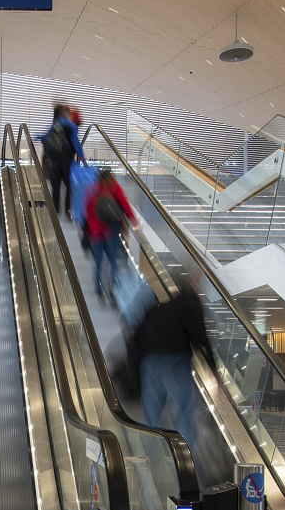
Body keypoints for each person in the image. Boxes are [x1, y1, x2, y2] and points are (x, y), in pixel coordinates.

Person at [134, 272, 215, 474]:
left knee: (150, 420)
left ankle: (144, 470)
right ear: (194, 284)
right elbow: (201, 339)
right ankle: (187, 473)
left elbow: (136, 336)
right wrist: (215, 374)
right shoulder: (191, 303)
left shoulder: (158, 310)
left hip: (149, 363)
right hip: (175, 364)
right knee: (185, 418)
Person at [84, 169, 137, 299]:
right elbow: (124, 205)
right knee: (113, 260)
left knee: (98, 261)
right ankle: (112, 287)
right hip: (112, 231)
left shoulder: (93, 191)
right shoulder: (114, 188)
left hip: (96, 233)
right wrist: (133, 221)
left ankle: (98, 288)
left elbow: (88, 213)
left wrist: (92, 230)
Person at [41, 105, 87, 217]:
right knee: (68, 186)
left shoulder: (55, 124)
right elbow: (76, 143)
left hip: (54, 160)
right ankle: (67, 211)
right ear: (68, 114)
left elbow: (44, 138)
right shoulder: (71, 126)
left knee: (55, 185)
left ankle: (55, 211)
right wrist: (82, 159)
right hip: (68, 160)